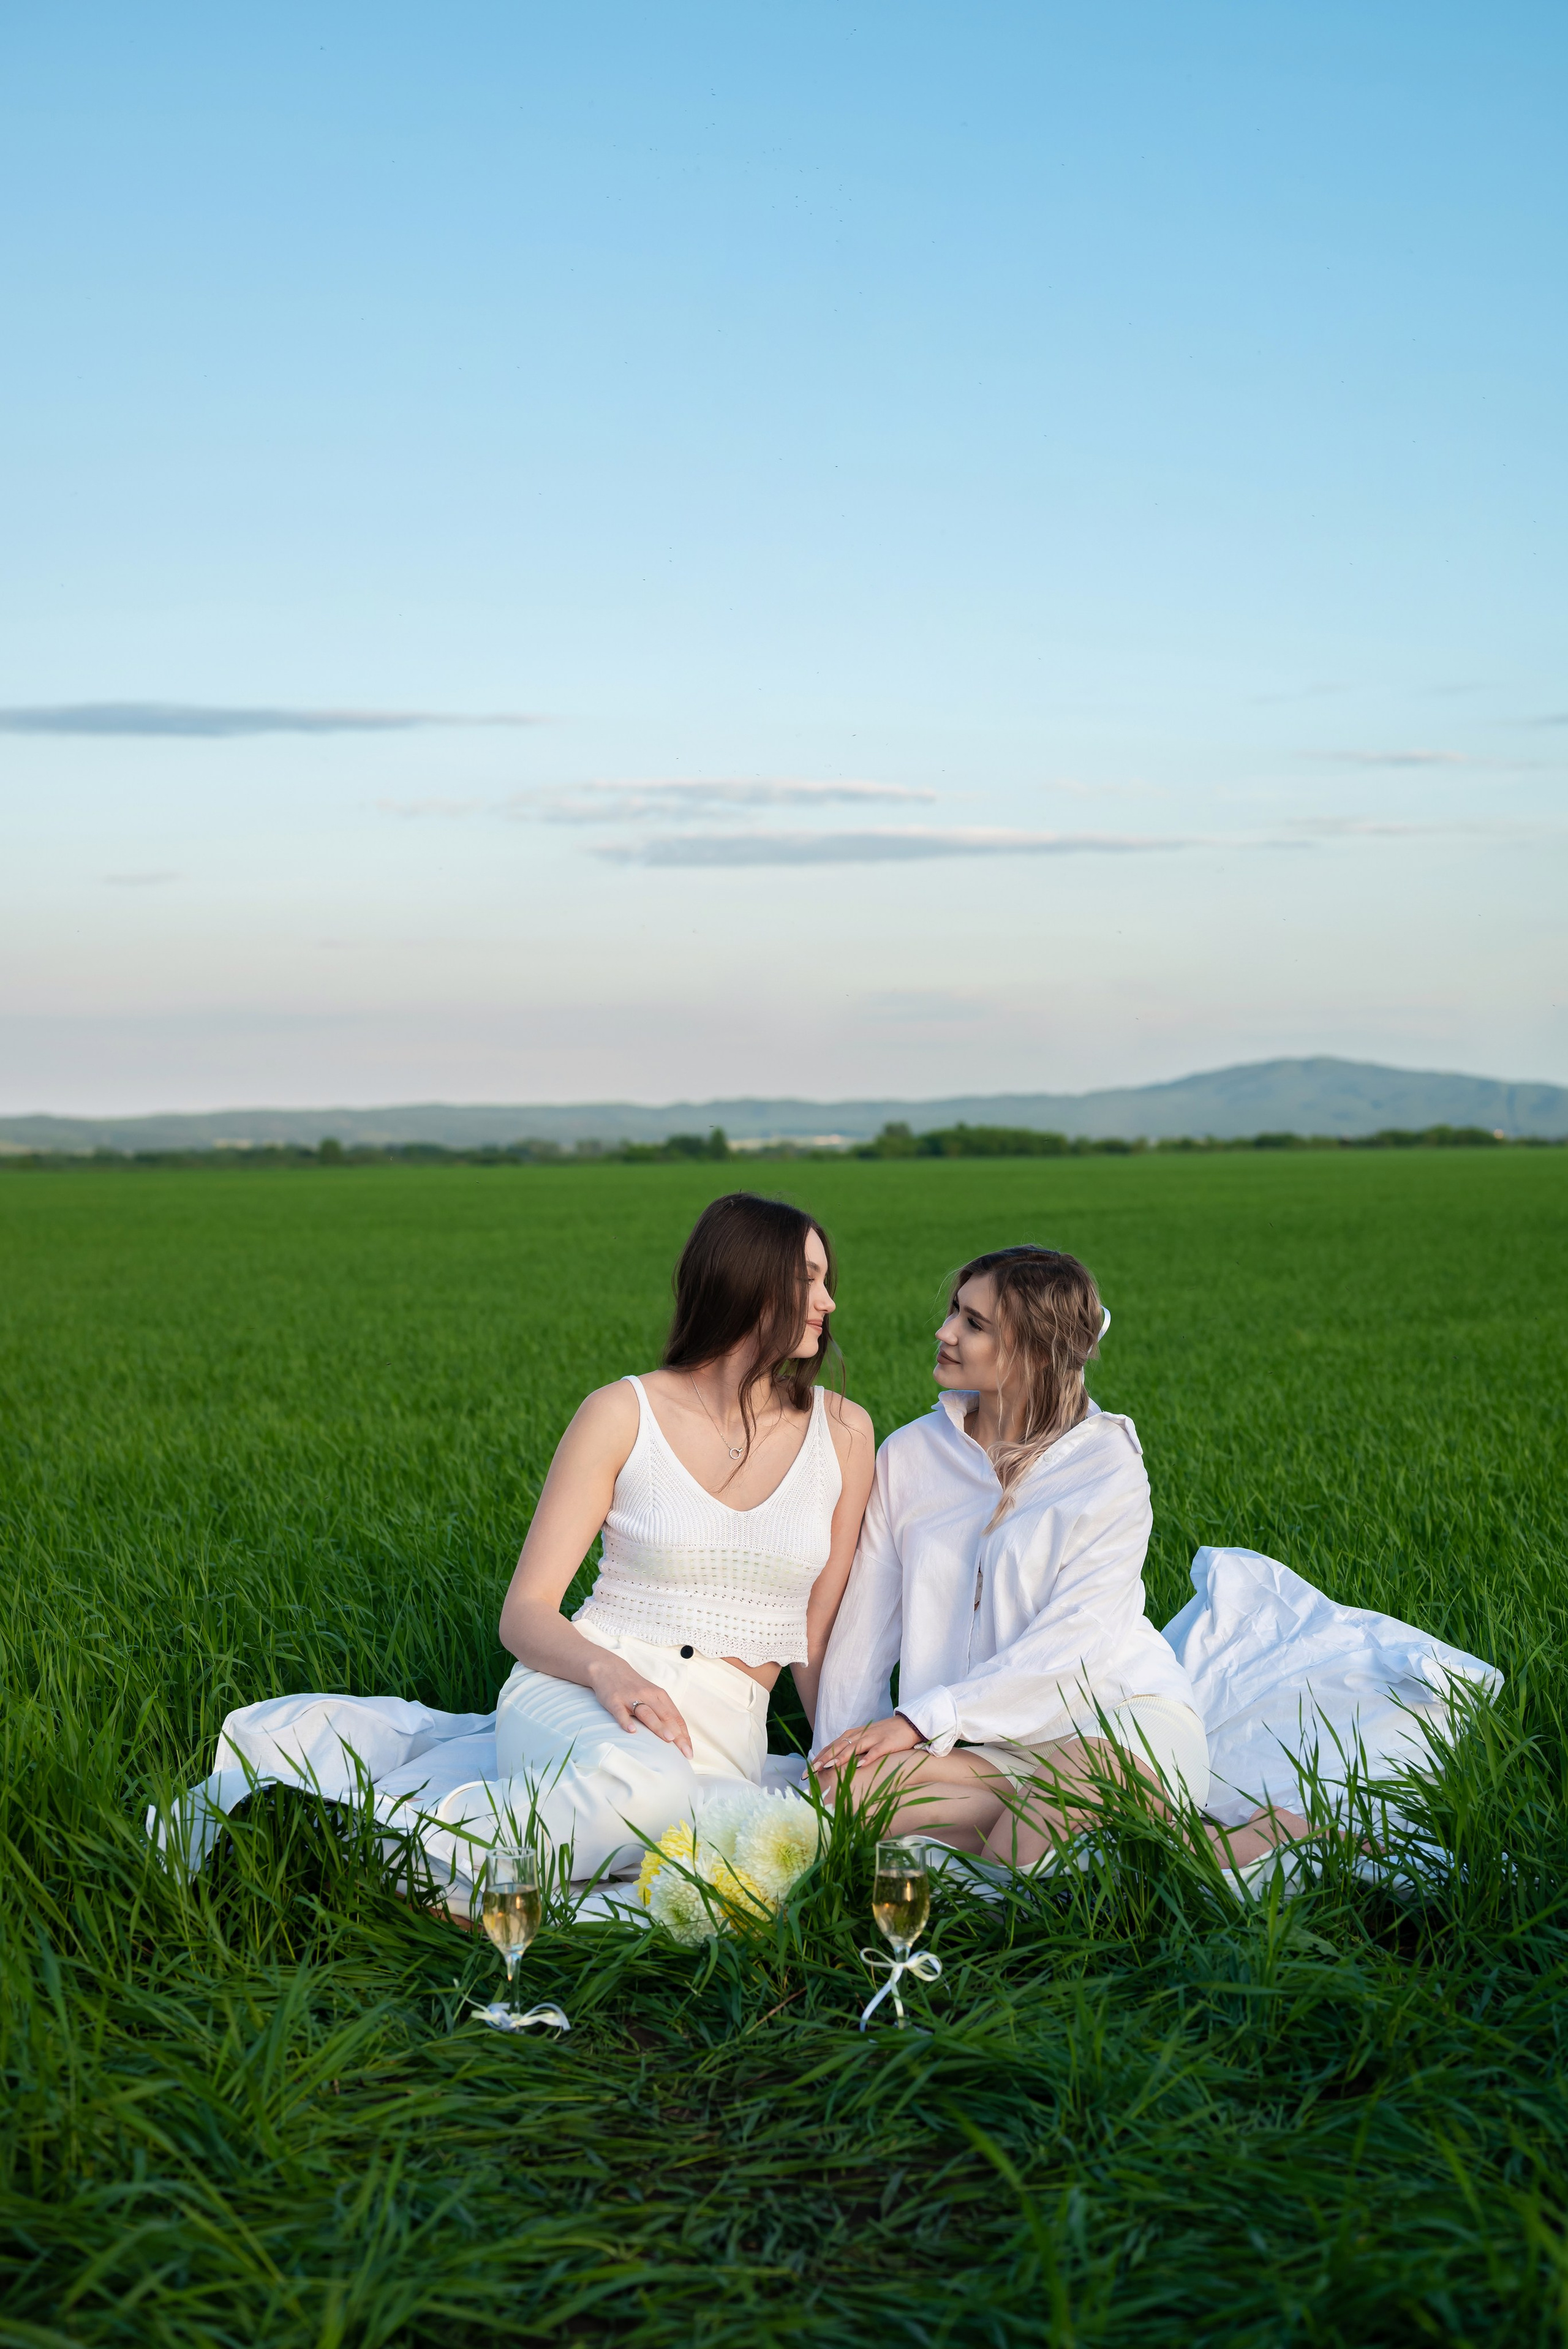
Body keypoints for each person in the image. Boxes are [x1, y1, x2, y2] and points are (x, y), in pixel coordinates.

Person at [813, 1245, 1294, 1871]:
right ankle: (1127, 1835)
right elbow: (864, 1631)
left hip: (1110, 1724)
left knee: (1023, 1854)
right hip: (981, 1745)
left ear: (1035, 1351)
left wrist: (918, 1720)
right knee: (843, 1802)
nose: (944, 1331)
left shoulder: (1107, 1467)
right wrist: (835, 1755)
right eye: (954, 1311)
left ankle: (1256, 1835)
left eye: (973, 1323)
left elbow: (1072, 1646)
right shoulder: (910, 1456)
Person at [495, 1191, 875, 1877]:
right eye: (807, 1281)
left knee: (738, 1860)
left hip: (725, 1731)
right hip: (587, 1688)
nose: (828, 1302)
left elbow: (816, 1633)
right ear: (746, 1284)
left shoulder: (845, 1432)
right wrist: (609, 1674)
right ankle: (405, 1857)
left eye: (827, 1280)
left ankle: (504, 1867)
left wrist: (841, 1753)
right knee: (651, 1796)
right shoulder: (620, 1412)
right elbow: (524, 1613)